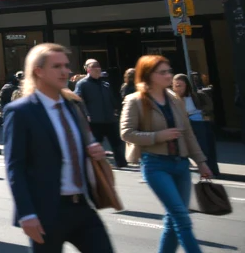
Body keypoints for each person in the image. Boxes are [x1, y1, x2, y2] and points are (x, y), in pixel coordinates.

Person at [4, 43, 113, 253]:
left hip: (82, 206)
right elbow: (15, 167)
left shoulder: (73, 106)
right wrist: (26, 214)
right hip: (46, 212)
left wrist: (95, 152)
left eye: (66, 65)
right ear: (38, 71)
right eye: (56, 66)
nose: (65, 71)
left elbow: (82, 145)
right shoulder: (20, 112)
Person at [121, 56, 211, 253]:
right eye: (162, 72)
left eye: (169, 71)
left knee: (173, 220)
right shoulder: (135, 100)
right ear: (148, 75)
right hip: (155, 165)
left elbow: (188, 133)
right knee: (182, 218)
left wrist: (201, 161)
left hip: (181, 164)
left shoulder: (174, 99)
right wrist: (157, 136)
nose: (168, 75)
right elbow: (126, 133)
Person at [75, 59, 126, 169]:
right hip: (94, 120)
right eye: (94, 67)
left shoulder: (105, 84)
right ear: (88, 69)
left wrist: (117, 109)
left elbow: (112, 99)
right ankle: (95, 166)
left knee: (117, 142)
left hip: (109, 118)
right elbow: (78, 100)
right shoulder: (82, 84)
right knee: (96, 143)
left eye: (98, 66)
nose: (98, 69)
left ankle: (121, 163)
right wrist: (86, 114)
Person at [172, 73, 219, 178]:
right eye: (175, 85)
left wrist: (200, 111)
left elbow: (209, 106)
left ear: (186, 85)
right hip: (182, 125)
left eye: (180, 85)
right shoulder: (173, 98)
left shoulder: (196, 95)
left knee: (204, 147)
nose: (177, 88)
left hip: (198, 123)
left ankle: (210, 170)